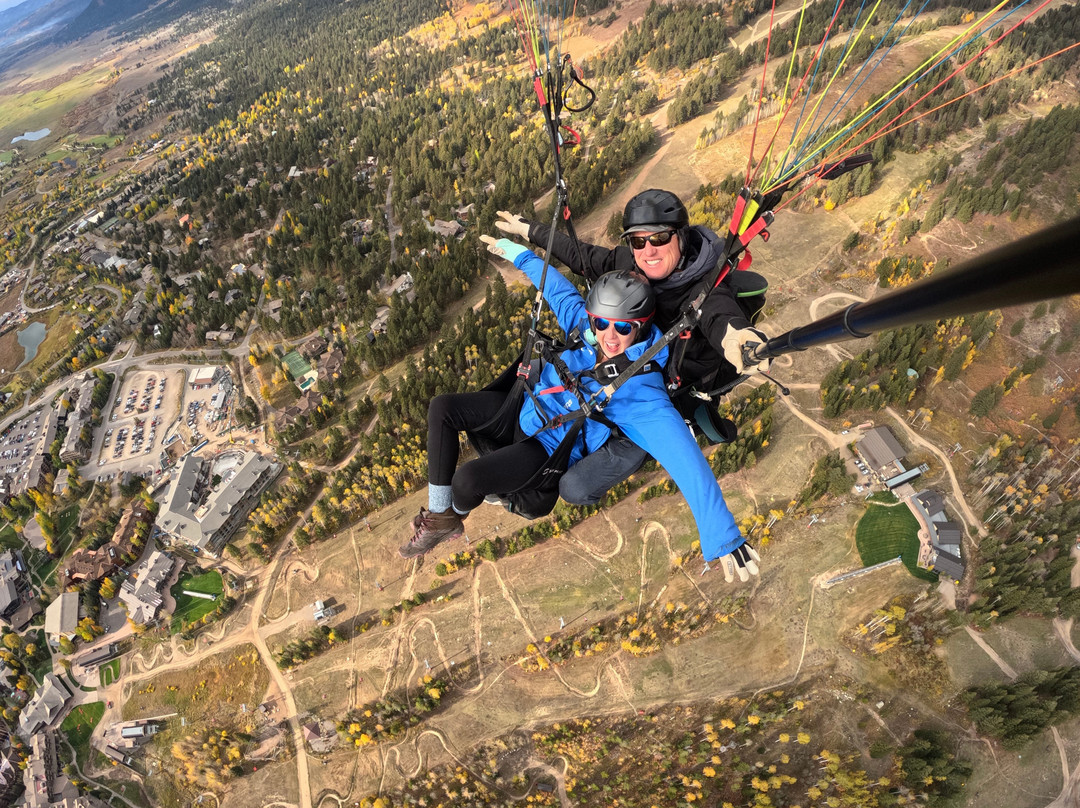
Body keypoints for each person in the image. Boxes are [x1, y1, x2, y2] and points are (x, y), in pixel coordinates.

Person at [399, 234, 760, 582]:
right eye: (601, 323)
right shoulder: (582, 325)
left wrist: (722, 534)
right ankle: (439, 511)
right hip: (525, 406)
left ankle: (449, 517)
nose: (609, 336)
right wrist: (519, 253)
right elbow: (556, 288)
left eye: (623, 328)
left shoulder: (641, 390)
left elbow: (685, 460)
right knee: (442, 408)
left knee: (468, 480)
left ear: (643, 326)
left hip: (547, 449)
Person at [495, 189, 769, 507]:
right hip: (623, 364)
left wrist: (739, 339)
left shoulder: (706, 291)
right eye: (638, 241)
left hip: (659, 396)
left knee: (575, 489)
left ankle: (633, 448)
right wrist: (531, 230)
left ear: (680, 236)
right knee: (541, 378)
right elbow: (583, 257)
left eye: (658, 238)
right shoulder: (632, 264)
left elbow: (720, 317)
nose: (647, 250)